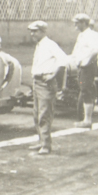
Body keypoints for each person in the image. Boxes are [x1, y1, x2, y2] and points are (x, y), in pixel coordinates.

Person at [28, 20, 67, 155]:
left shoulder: (50, 44)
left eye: (35, 31)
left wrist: (52, 75)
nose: (32, 34)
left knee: (44, 114)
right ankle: (41, 141)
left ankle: (46, 144)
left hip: (45, 83)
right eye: (31, 31)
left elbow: (63, 60)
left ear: (43, 31)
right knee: (36, 113)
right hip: (37, 81)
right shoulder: (39, 45)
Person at [70, 13, 98, 129]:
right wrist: (73, 59)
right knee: (83, 90)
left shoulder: (93, 35)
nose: (75, 25)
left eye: (77, 22)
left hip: (88, 67)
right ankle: (85, 119)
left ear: (83, 23)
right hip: (81, 66)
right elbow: (76, 51)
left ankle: (87, 120)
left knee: (86, 90)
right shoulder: (81, 36)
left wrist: (84, 62)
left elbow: (95, 50)